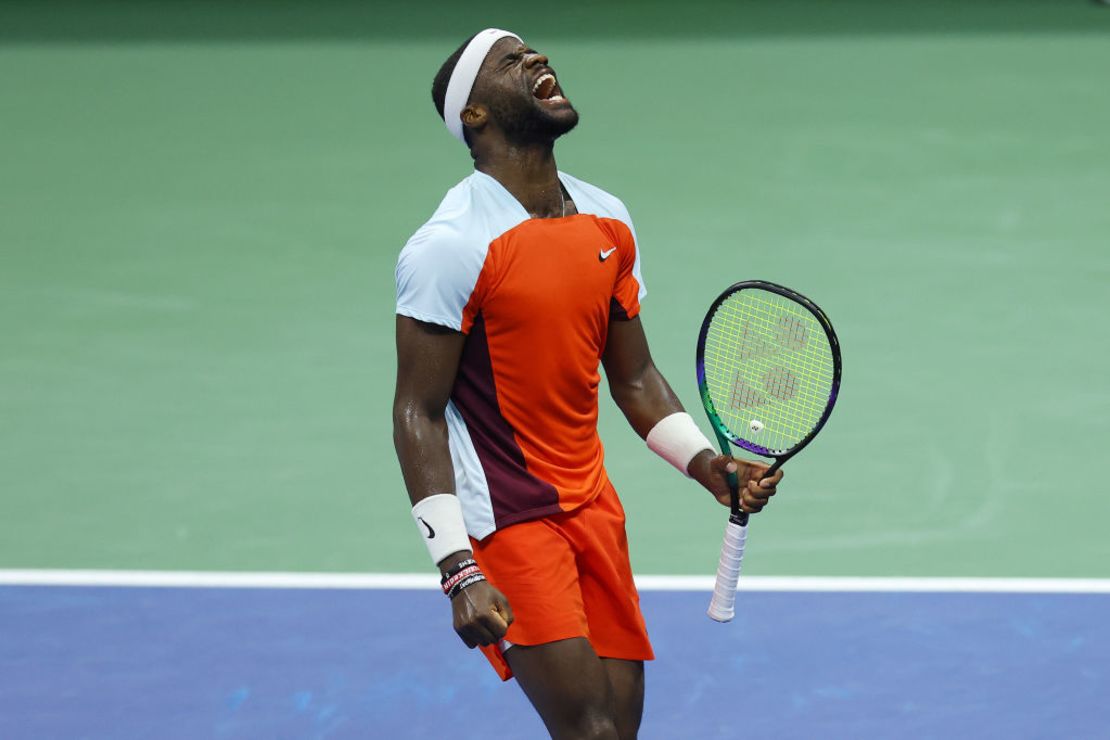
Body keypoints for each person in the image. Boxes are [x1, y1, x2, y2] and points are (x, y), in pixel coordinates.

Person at [392, 29, 783, 740]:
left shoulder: (608, 219)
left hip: (594, 507)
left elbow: (634, 378)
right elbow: (417, 411)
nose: (536, 59)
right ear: (473, 116)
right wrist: (456, 568)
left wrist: (708, 465)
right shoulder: (450, 246)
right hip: (507, 515)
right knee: (591, 730)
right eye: (511, 62)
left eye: (534, 51)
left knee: (618, 729)